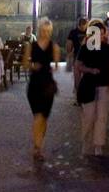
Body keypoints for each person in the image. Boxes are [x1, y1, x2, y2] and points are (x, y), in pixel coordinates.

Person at [24, 18, 61, 162]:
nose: (45, 33)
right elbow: (25, 63)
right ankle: (37, 147)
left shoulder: (54, 47)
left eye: (48, 31)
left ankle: (39, 143)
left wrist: (53, 66)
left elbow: (57, 65)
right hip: (34, 84)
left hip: (47, 85)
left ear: (50, 32)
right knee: (38, 116)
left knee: (44, 118)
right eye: (43, 31)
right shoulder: (30, 46)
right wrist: (33, 66)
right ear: (39, 31)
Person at [75, 20, 109, 156]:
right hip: (89, 85)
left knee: (101, 116)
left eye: (103, 34)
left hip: (103, 84)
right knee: (89, 116)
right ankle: (86, 142)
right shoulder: (86, 48)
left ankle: (98, 144)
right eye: (99, 34)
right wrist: (90, 70)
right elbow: (78, 66)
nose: (101, 37)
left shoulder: (107, 48)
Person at [66, 18, 88, 103]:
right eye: (82, 26)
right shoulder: (74, 32)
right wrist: (69, 52)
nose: (83, 27)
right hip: (78, 57)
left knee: (81, 77)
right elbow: (69, 44)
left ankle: (81, 96)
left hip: (83, 57)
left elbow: (69, 44)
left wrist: (69, 51)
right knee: (78, 77)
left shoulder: (74, 32)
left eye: (84, 26)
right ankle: (79, 97)